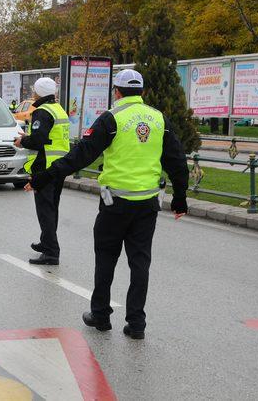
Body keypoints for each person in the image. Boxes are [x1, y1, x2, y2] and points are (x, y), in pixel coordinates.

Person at [27, 69, 189, 339]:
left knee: (106, 259)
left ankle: (100, 315)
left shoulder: (111, 119)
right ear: (142, 92)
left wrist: (45, 177)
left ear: (117, 91)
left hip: (114, 204)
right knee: (140, 263)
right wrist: (180, 199)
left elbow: (80, 155)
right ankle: (136, 324)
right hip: (147, 205)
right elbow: (177, 161)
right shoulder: (160, 119)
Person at [14, 78, 70, 265]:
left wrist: (23, 141)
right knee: (52, 208)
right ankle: (46, 242)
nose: (33, 93)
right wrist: (31, 137)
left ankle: (51, 253)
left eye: (34, 90)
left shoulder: (42, 112)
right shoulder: (58, 109)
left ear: (38, 93)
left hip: (45, 167)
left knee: (45, 210)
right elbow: (49, 138)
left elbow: (39, 141)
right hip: (60, 166)